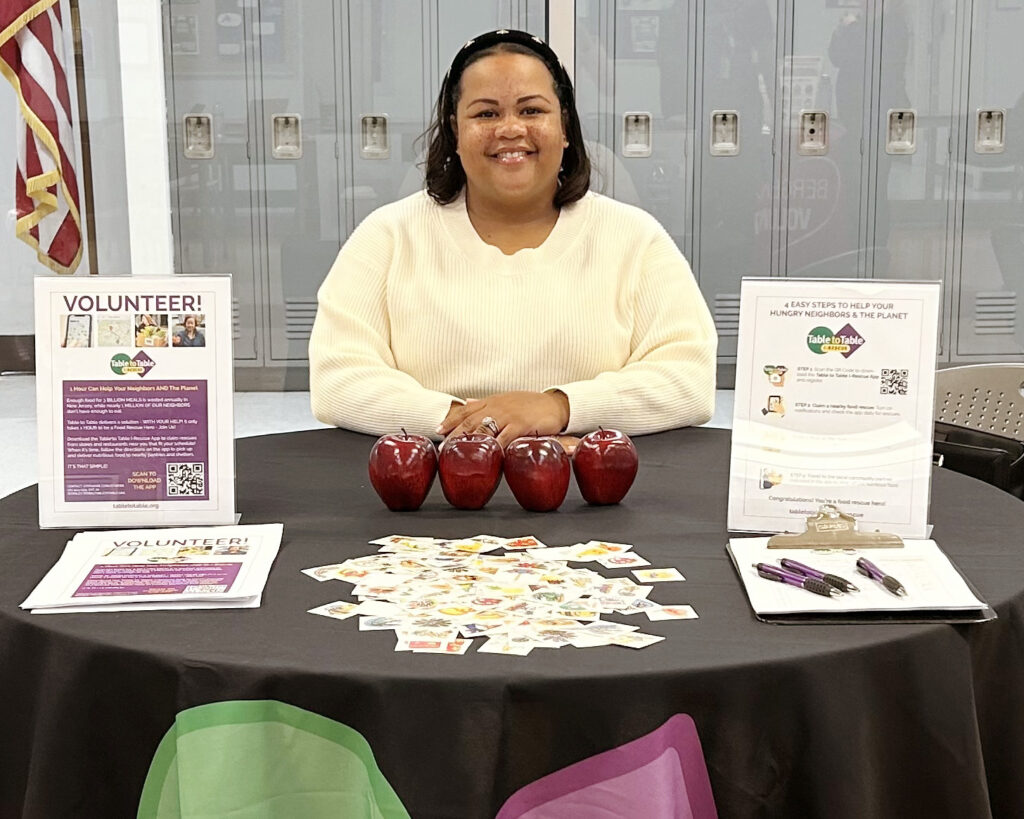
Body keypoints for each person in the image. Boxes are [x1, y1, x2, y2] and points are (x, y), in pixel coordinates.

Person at [309, 29, 716, 448]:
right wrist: (470, 424)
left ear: (564, 127)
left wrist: (559, 408)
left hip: (587, 494)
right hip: (428, 494)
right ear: (455, 131)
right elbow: (337, 377)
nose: (510, 129)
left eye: (531, 111)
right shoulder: (387, 237)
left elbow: (690, 377)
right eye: (485, 114)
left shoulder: (635, 239)